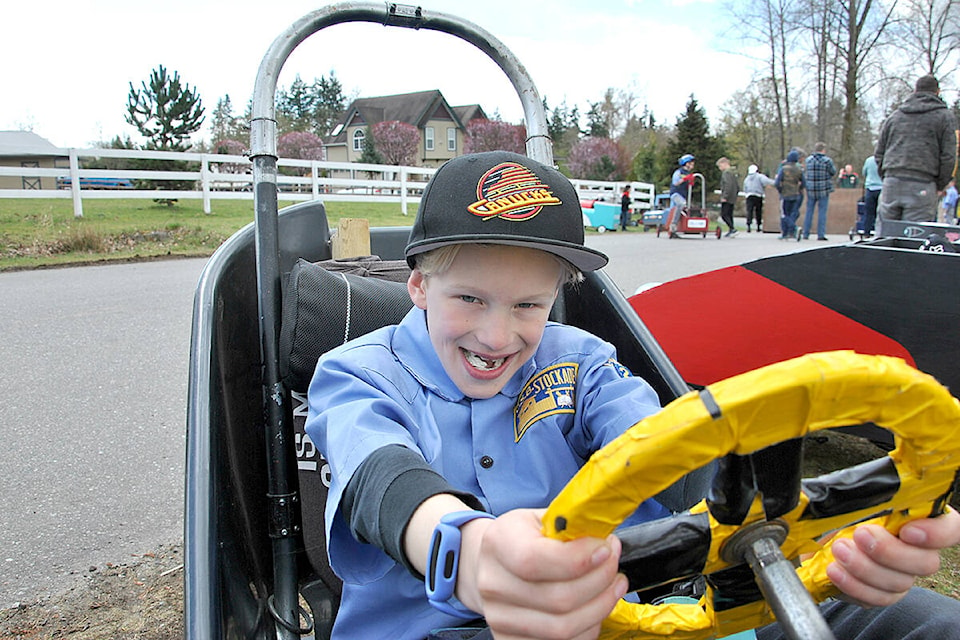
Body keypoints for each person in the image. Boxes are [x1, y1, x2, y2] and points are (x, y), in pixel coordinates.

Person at [305, 150, 960, 640]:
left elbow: (664, 445)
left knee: (918, 621)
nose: (497, 334)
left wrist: (827, 536)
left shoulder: (582, 361)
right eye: (469, 298)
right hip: (433, 627)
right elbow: (380, 479)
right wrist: (472, 553)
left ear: (557, 294)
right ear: (418, 285)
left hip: (620, 611)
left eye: (529, 304)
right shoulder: (358, 373)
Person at [875, 74, 958, 228]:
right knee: (914, 238)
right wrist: (940, 185)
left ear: (915, 90)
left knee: (884, 238)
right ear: (937, 92)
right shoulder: (944, 117)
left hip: (891, 181)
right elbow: (948, 156)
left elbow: (879, 152)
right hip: (923, 183)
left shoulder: (895, 116)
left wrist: (887, 176)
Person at [800, 142, 837, 241]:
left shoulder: (808, 160)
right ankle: (821, 234)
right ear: (823, 150)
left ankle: (805, 233)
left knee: (809, 211)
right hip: (823, 189)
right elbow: (833, 172)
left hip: (811, 189)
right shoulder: (827, 161)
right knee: (822, 212)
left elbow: (805, 172)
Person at [774, 150, 804, 240]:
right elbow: (804, 183)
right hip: (795, 194)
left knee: (784, 214)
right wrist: (799, 189)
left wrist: (780, 190)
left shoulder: (783, 169)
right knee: (792, 213)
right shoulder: (799, 170)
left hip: (785, 194)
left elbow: (777, 182)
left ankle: (792, 229)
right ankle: (789, 232)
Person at [666, 153, 697, 238]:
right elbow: (675, 183)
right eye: (691, 163)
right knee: (680, 204)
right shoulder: (678, 172)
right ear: (686, 163)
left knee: (688, 207)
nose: (692, 165)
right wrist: (684, 179)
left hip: (683, 195)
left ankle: (690, 225)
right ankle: (673, 225)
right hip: (676, 193)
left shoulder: (688, 173)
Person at [743, 164, 776, 233]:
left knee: (749, 211)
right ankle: (758, 226)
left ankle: (749, 225)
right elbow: (767, 182)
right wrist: (777, 182)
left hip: (749, 195)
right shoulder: (759, 176)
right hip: (758, 195)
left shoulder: (747, 179)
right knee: (758, 211)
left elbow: (745, 188)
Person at [717, 157, 739, 237]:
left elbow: (727, 185)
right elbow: (737, 186)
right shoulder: (734, 173)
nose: (720, 168)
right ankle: (731, 230)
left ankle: (732, 228)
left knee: (724, 214)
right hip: (733, 196)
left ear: (724, 163)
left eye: (720, 166)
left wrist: (725, 196)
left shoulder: (726, 173)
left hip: (728, 197)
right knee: (729, 214)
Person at [861, 154, 882, 236]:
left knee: (869, 213)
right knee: (881, 213)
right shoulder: (884, 160)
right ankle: (880, 232)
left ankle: (867, 232)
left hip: (870, 188)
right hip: (882, 188)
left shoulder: (869, 160)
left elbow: (864, 173)